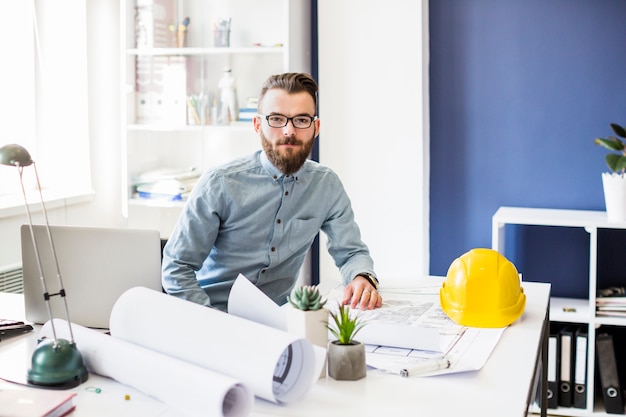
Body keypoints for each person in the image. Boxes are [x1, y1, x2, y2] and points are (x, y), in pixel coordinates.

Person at [161, 72, 382, 312]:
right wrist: (215, 322)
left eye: (301, 120)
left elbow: (351, 252)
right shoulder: (220, 183)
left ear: (315, 127)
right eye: (276, 119)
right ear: (258, 125)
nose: (289, 131)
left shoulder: (326, 186)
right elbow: (176, 267)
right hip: (210, 316)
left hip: (275, 322)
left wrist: (362, 277)